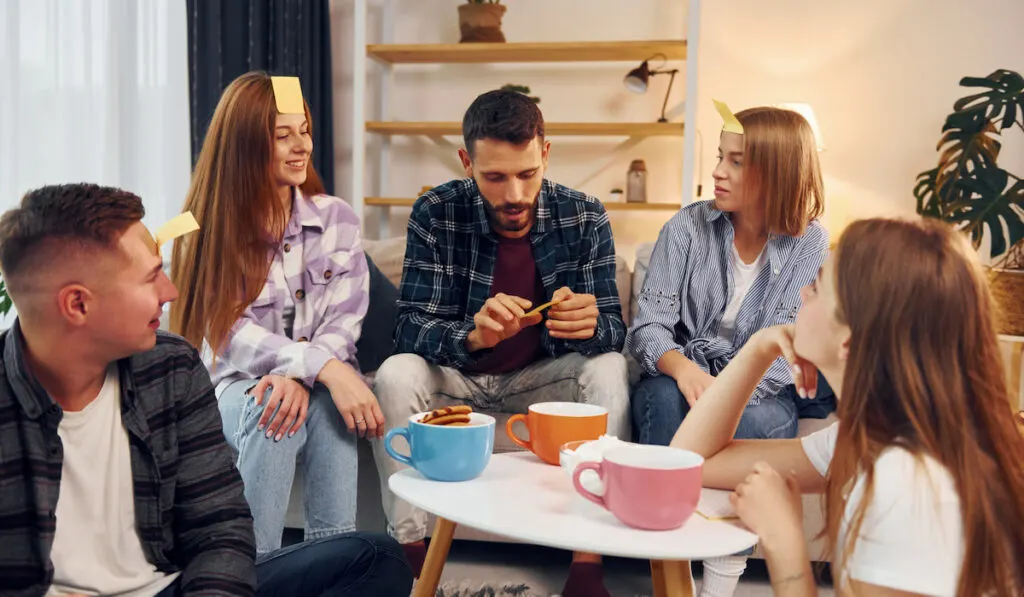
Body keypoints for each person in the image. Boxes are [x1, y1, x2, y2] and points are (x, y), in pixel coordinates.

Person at [0, 183, 413, 597]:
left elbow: (220, 531)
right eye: (150, 278)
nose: (171, 292)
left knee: (377, 559)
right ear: (78, 304)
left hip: (176, 588)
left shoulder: (171, 366)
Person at [671, 217, 1024, 597]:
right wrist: (757, 349)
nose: (803, 293)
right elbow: (690, 462)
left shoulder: (909, 483)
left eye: (818, 287)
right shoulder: (875, 438)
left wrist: (784, 542)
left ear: (849, 342)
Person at [371, 89, 630, 597]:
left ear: (545, 154)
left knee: (610, 369)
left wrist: (591, 323)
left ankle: (587, 564)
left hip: (541, 385)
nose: (514, 193)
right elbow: (408, 330)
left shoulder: (584, 216)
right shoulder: (436, 211)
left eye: (527, 174)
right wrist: (472, 334)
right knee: (397, 370)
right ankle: (409, 555)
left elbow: (615, 332)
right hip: (458, 383)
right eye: (494, 177)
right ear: (466, 161)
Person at [170, 71, 383, 556]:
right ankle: (253, 568)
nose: (301, 146)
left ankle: (333, 565)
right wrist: (319, 367)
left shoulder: (337, 219)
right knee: (276, 409)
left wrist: (308, 374)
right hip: (231, 386)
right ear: (246, 144)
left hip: (311, 383)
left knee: (327, 407)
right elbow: (228, 333)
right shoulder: (202, 225)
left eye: (304, 129)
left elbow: (344, 323)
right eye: (282, 135)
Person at [626, 106, 833, 595]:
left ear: (777, 171)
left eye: (736, 161)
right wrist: (683, 371)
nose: (717, 171)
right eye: (721, 157)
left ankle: (719, 582)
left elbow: (784, 351)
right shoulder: (686, 228)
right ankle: (667, 566)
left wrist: (726, 392)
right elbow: (648, 327)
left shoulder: (810, 244)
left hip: (761, 391)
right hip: (681, 375)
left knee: (755, 424)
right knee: (660, 400)